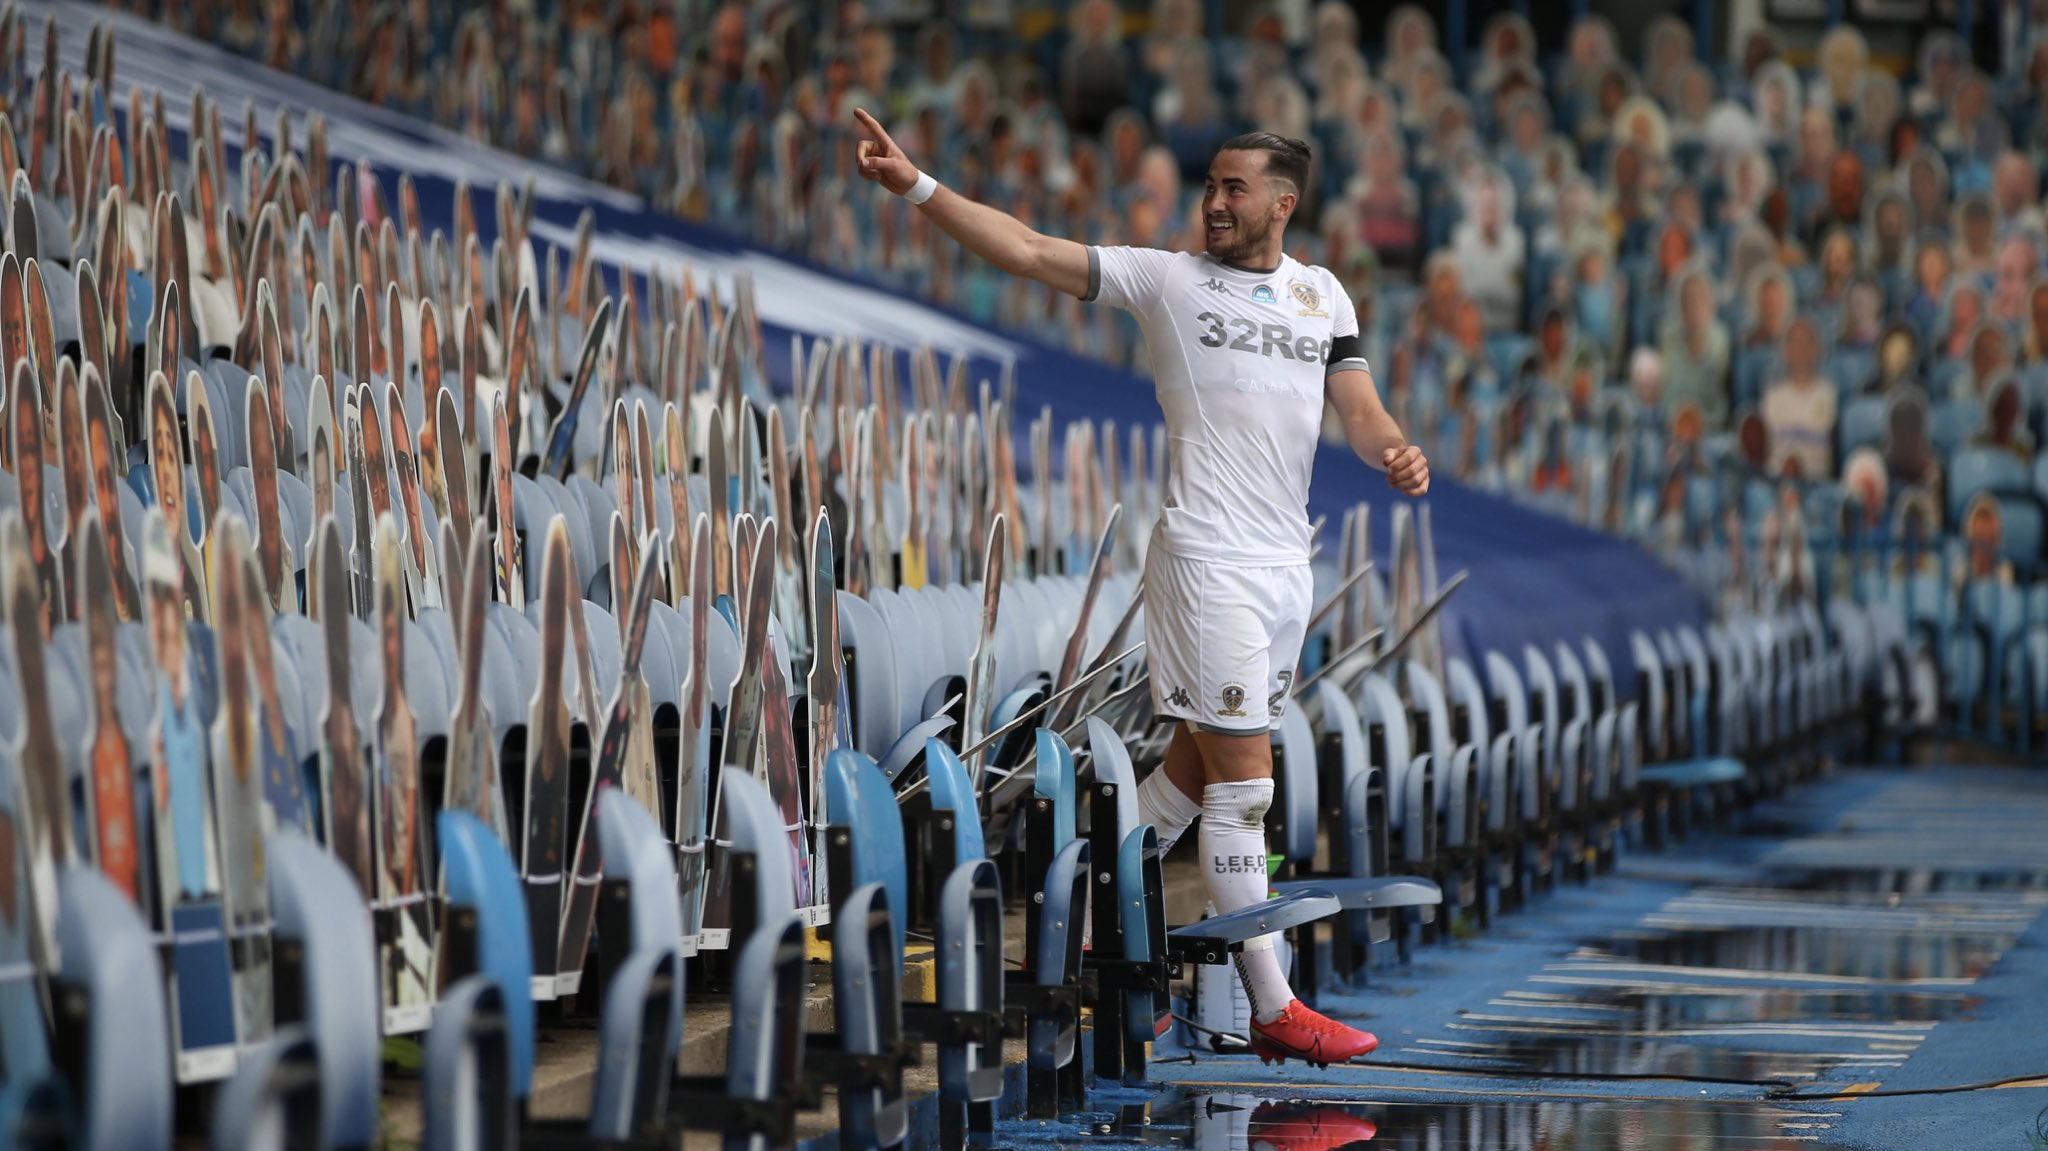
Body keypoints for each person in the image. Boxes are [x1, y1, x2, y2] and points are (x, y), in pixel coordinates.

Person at [852, 109, 1429, 1066]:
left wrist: (1394, 452)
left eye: (1234, 188)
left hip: (1287, 564)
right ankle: (1276, 1005)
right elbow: (1031, 249)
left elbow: (1359, 409)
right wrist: (917, 184)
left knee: (1198, 774)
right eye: (1211, 184)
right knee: (1246, 785)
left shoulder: (1321, 295)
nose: (1214, 201)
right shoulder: (1166, 280)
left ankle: (1073, 923)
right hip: (1206, 562)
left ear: (1283, 205)